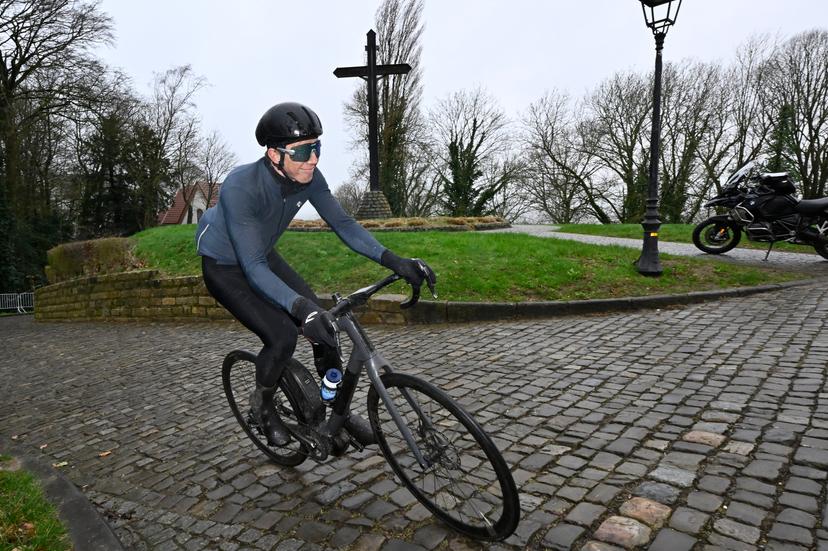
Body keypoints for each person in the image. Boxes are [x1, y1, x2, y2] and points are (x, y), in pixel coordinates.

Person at [195, 102, 436, 447]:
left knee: (326, 329)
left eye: (317, 147)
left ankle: (336, 409)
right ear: (274, 154)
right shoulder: (240, 186)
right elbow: (251, 269)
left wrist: (395, 261)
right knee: (282, 337)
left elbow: (344, 224)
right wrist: (300, 309)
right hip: (225, 267)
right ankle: (262, 406)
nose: (314, 158)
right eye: (304, 150)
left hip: (261, 255)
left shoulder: (308, 178)